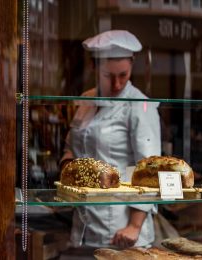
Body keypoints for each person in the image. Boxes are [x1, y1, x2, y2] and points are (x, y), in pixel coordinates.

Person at [60, 30, 162, 250]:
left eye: (123, 75)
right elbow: (71, 146)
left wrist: (134, 226)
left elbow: (149, 169)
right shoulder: (86, 100)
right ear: (94, 68)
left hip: (121, 230)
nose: (117, 84)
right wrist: (69, 169)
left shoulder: (140, 105)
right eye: (108, 76)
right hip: (84, 225)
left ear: (132, 66)